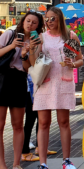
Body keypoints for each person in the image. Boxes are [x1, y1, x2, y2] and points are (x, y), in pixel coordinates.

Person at [30, 7, 83, 169]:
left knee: (64, 122)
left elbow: (80, 60)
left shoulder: (70, 36)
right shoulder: (41, 37)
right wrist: (31, 49)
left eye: (52, 18)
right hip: (45, 82)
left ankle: (66, 161)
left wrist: (72, 63)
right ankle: (43, 163)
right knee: (43, 122)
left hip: (63, 82)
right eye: (47, 19)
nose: (49, 22)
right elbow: (33, 62)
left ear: (60, 19)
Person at [0, 12, 44, 168]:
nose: (30, 24)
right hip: (2, 78)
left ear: (38, 26)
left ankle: (16, 163)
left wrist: (27, 53)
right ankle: (2, 164)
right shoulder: (10, 34)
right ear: (23, 21)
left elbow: (29, 68)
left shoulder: (36, 42)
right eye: (28, 21)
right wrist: (12, 46)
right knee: (0, 124)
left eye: (34, 23)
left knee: (18, 125)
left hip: (19, 80)